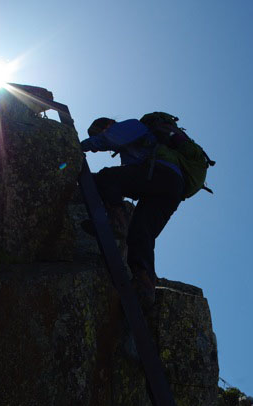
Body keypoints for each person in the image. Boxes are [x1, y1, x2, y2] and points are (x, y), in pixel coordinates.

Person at [80, 116, 186, 307]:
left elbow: (109, 139)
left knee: (107, 177)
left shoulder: (130, 126)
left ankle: (117, 222)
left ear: (107, 125)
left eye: (100, 131)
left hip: (159, 173)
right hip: (173, 187)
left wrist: (80, 146)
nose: (102, 134)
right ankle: (145, 287)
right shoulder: (140, 142)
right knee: (140, 233)